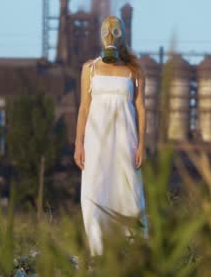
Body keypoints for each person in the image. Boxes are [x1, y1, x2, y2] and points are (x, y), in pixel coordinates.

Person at [73, 15, 148, 256]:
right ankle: (98, 252)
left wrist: (142, 145)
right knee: (94, 190)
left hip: (125, 139)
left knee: (127, 192)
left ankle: (133, 250)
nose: (110, 36)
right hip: (96, 141)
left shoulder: (134, 71)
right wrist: (79, 143)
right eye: (106, 31)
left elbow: (141, 108)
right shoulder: (90, 69)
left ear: (122, 36)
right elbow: (84, 107)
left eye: (114, 32)